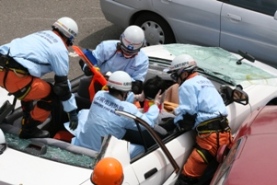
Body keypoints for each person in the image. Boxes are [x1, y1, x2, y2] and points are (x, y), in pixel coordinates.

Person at [0, 17, 79, 139]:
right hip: (15, 78)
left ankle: (26, 117)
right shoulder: (60, 49)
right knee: (52, 95)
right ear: (69, 38)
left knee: (32, 85)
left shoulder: (41, 34)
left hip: (2, 69)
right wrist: (72, 111)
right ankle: (28, 129)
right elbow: (62, 87)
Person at [162, 54, 233, 184]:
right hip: (224, 135)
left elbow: (187, 115)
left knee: (186, 179)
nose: (174, 80)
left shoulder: (187, 86)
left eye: (174, 75)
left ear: (183, 73)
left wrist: (170, 124)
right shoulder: (204, 80)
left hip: (210, 140)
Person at [66, 71, 161, 158]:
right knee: (141, 148)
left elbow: (115, 101)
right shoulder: (128, 109)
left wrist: (137, 97)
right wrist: (155, 104)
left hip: (80, 146)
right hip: (101, 155)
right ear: (125, 92)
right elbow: (148, 123)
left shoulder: (99, 95)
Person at [79, 25, 149, 94]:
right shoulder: (106, 47)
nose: (127, 54)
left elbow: (137, 85)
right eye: (125, 50)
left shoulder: (142, 61)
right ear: (120, 42)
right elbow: (88, 61)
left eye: (131, 52)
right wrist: (87, 68)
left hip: (122, 93)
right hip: (99, 85)